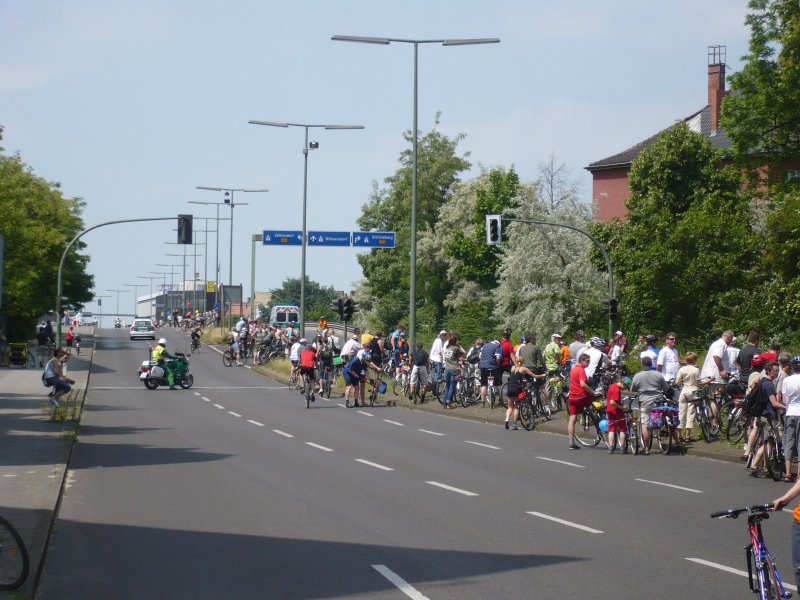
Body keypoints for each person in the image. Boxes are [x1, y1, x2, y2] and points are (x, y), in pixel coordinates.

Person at [630, 356, 669, 453]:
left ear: (642, 364)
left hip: (645, 403)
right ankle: (665, 433)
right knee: (663, 416)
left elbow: (633, 390)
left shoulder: (637, 376)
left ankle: (646, 448)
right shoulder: (658, 375)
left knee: (645, 425)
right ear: (651, 364)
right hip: (658, 402)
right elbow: (666, 388)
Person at [568, 352, 596, 449]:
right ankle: (594, 419)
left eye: (589, 361)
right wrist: (592, 392)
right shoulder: (581, 370)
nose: (588, 363)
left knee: (572, 420)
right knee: (596, 400)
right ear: (581, 361)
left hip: (572, 397)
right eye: (587, 361)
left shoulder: (573, 370)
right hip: (581, 396)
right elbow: (583, 384)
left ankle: (571, 443)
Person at [780, 356, 800, 483]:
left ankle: (787, 472)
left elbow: (784, 399)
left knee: (789, 441)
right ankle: (799, 474)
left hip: (790, 412)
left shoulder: (787, 380)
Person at [675, 352, 702, 443]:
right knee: (690, 413)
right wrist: (708, 381)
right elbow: (698, 383)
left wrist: (683, 380)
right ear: (694, 360)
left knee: (681, 413)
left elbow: (677, 382)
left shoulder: (682, 369)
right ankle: (687, 436)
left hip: (684, 392)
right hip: (693, 392)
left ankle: (679, 436)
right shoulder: (696, 370)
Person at [606, 376, 630, 453]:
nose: (625, 389)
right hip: (616, 411)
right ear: (623, 384)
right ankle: (622, 447)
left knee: (611, 429)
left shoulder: (612, 386)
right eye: (626, 387)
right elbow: (612, 402)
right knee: (622, 428)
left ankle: (610, 447)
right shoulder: (616, 389)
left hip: (609, 410)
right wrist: (622, 407)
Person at [442, 335, 465, 409]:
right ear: (455, 342)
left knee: (447, 386)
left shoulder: (448, 348)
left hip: (447, 369)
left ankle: (445, 403)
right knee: (452, 386)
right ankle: (448, 403)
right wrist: (458, 345)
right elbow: (463, 353)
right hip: (454, 369)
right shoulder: (456, 348)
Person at [479, 337, 502, 406]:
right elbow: (498, 357)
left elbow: (480, 357)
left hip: (483, 366)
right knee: (498, 383)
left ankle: (483, 402)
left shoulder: (484, 346)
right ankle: (500, 399)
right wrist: (497, 364)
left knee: (483, 384)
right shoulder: (496, 346)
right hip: (492, 366)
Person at [504, 363, 524, 430]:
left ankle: (506, 420)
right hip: (517, 391)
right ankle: (514, 425)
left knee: (509, 407)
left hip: (510, 390)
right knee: (516, 407)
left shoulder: (512, 369)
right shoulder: (522, 369)